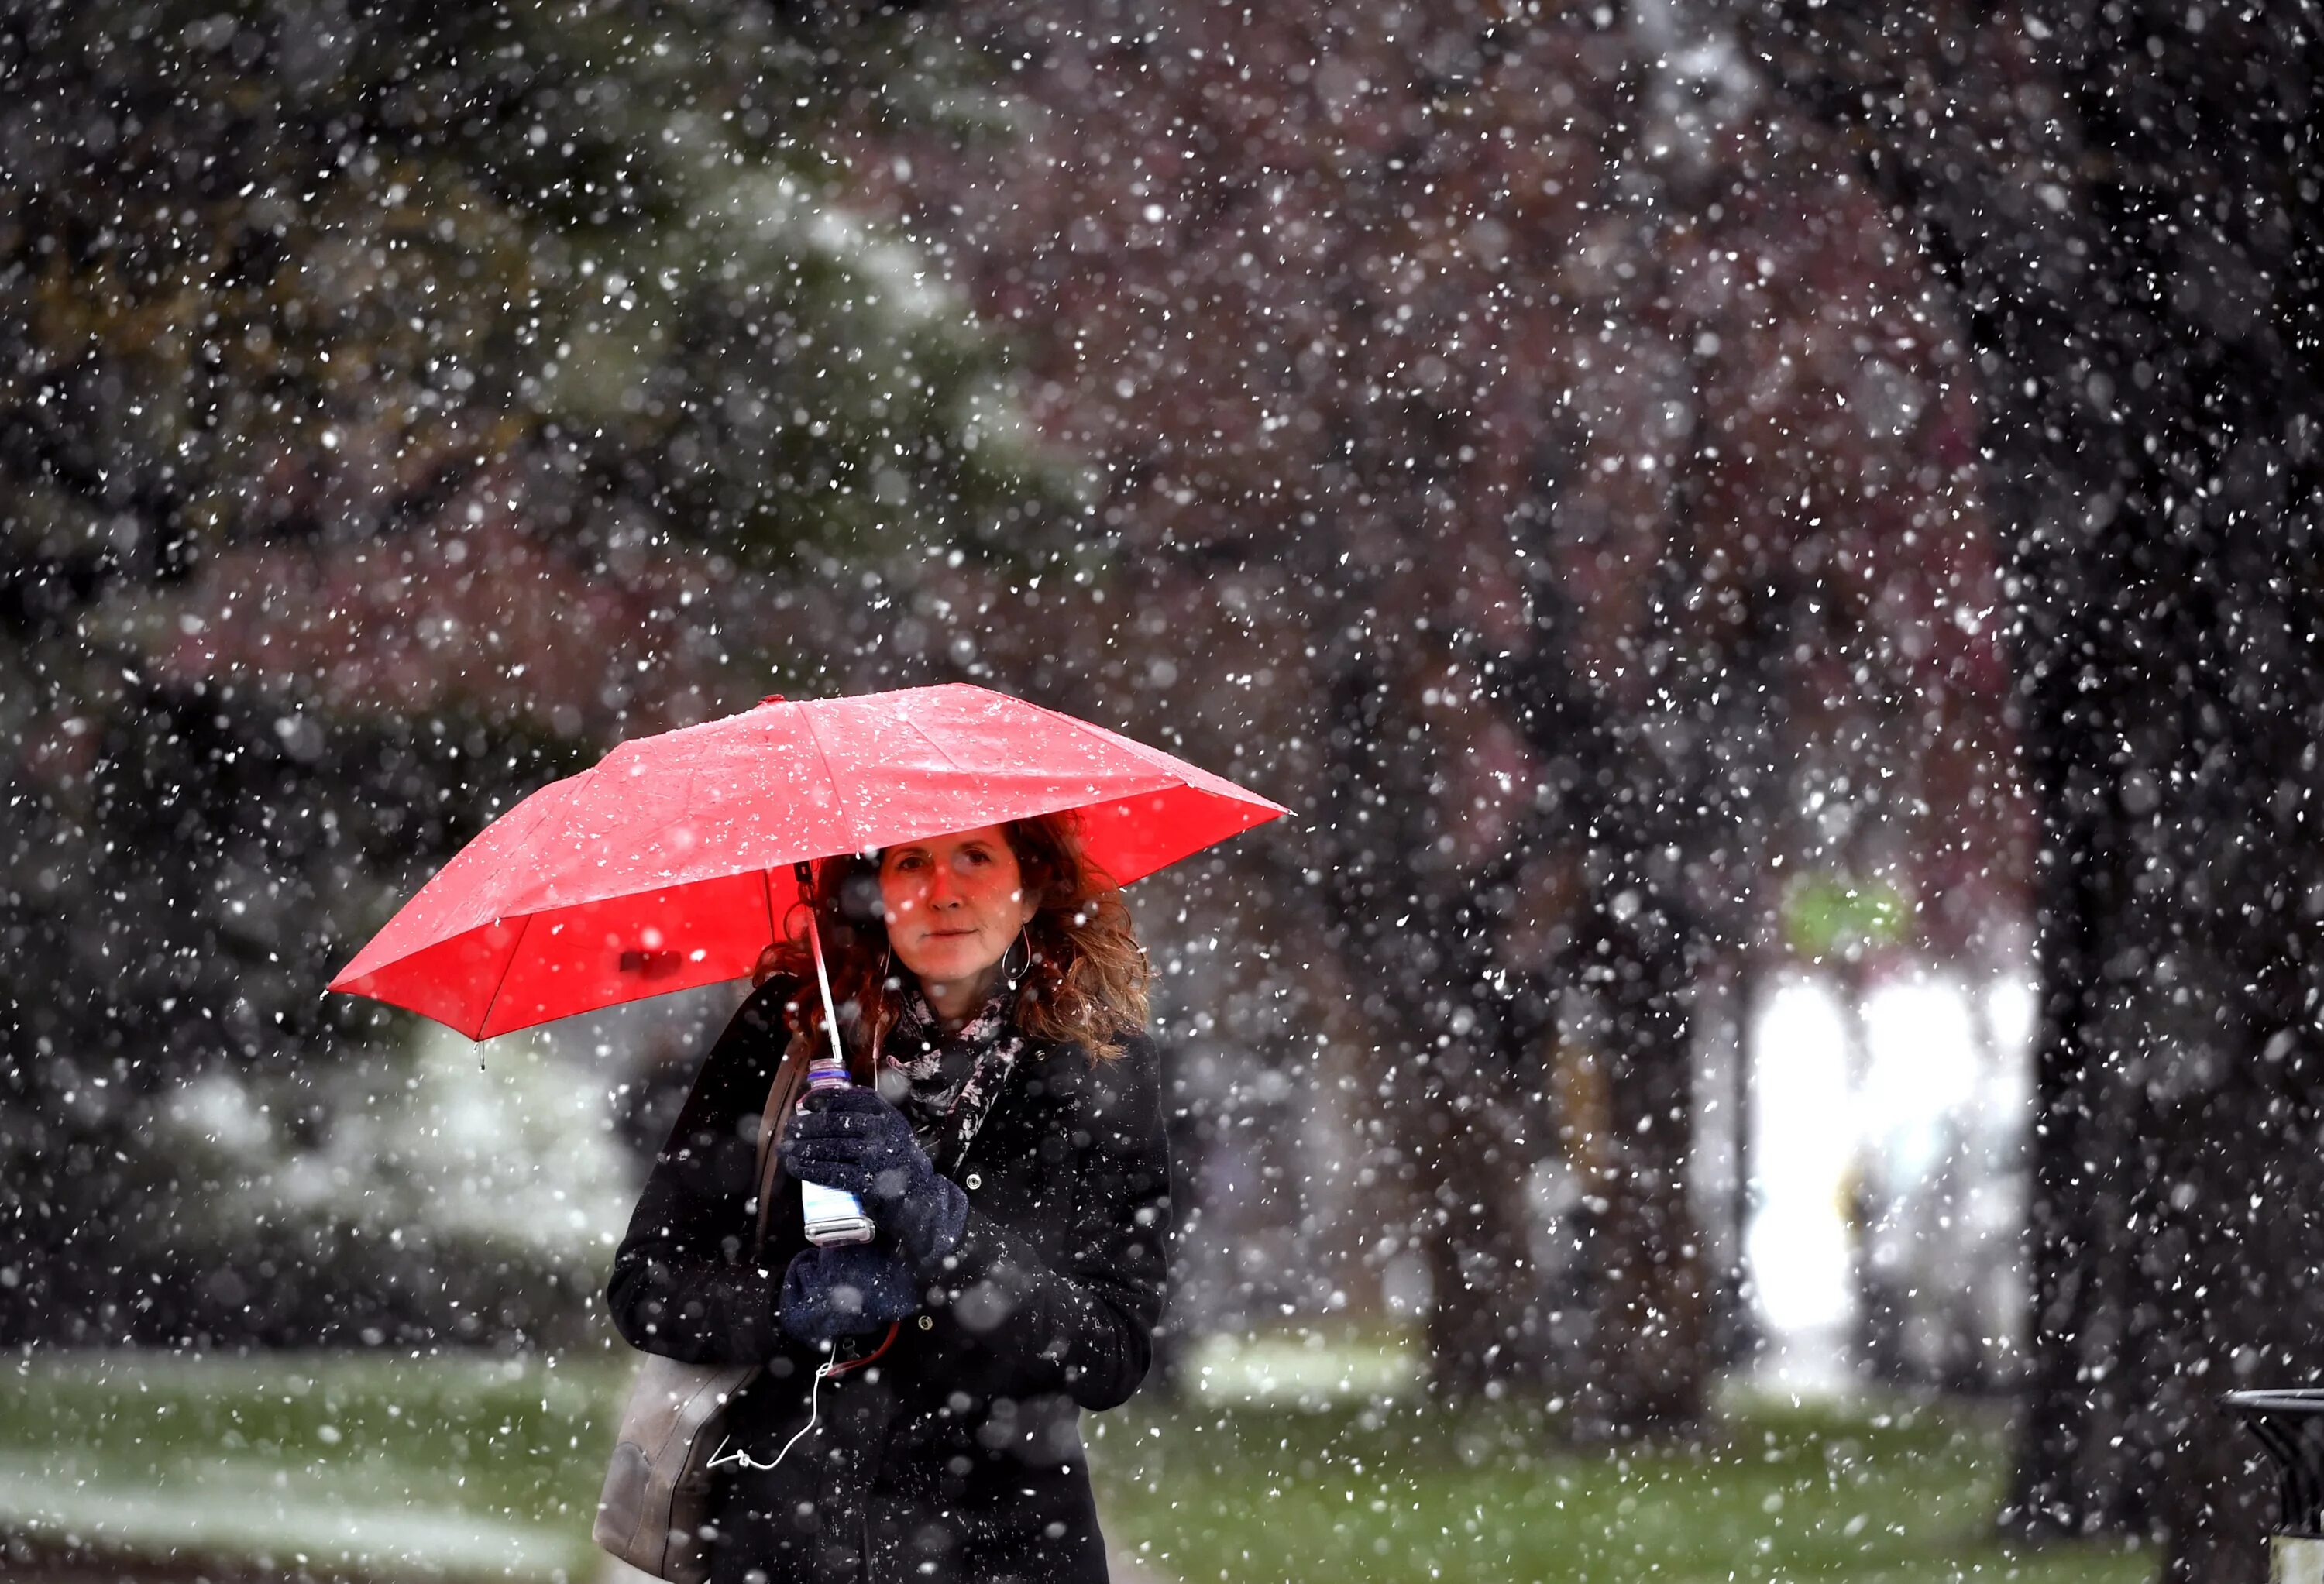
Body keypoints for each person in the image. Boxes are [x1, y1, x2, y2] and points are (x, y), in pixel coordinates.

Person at [606, 813, 1171, 1584]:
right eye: (911, 862)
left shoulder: (1098, 1064)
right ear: (873, 892)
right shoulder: (788, 1031)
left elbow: (1111, 1351)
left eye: (975, 856)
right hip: (786, 1541)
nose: (943, 891)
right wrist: (791, 1303)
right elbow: (646, 1285)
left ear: (1033, 887)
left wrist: (939, 1224)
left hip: (1006, 1550)